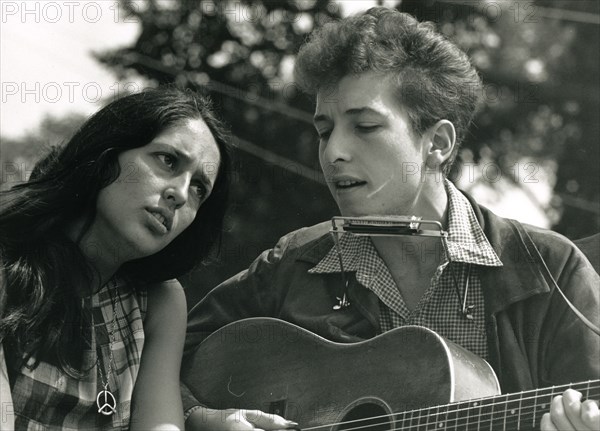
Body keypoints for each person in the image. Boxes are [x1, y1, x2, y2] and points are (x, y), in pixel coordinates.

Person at [180, 7, 600, 431]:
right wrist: (202, 418)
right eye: (324, 131)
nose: (333, 153)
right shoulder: (291, 264)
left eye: (364, 126)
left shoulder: (552, 270)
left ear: (437, 143)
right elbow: (154, 363)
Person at [0, 87, 231, 430]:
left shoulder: (160, 303)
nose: (181, 194)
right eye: (168, 160)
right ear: (107, 154)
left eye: (199, 188)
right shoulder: (8, 262)